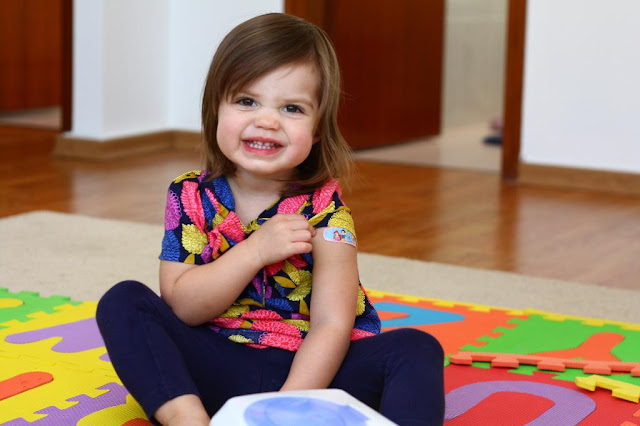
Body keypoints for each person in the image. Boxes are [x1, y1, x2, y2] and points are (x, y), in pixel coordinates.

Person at [96, 13, 444, 426]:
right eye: (247, 101)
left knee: (416, 347)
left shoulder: (329, 213)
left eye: (292, 108)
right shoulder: (188, 194)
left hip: (312, 376)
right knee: (123, 301)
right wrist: (255, 251)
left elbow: (332, 324)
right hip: (214, 364)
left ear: (318, 129)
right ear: (216, 108)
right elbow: (185, 307)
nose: (266, 120)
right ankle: (187, 419)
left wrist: (287, 408)